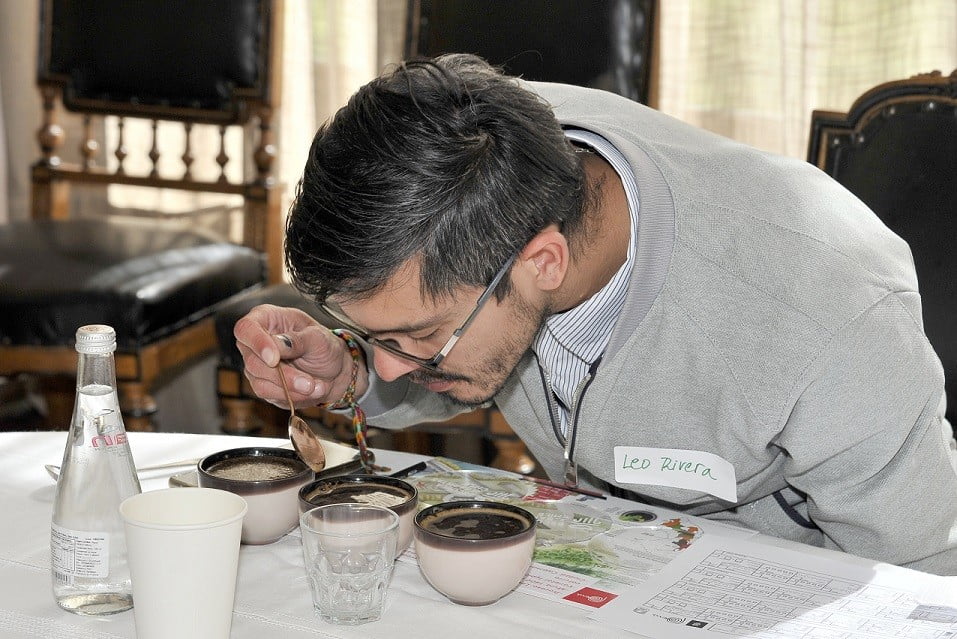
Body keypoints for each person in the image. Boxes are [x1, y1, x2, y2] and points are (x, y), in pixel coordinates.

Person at [235, 54, 957, 574]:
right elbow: (464, 333)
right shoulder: (480, 154)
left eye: (417, 336)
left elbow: (917, 577)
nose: (391, 363)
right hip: (601, 552)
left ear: (543, 262)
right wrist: (351, 368)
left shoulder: (824, 313)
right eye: (375, 336)